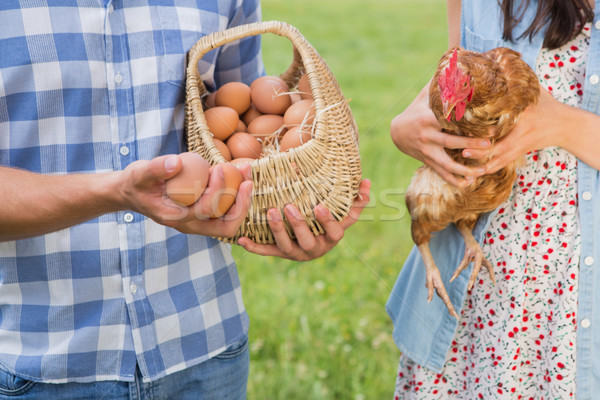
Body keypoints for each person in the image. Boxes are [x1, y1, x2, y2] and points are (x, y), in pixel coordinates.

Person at [0, 1, 370, 399]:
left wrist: (289, 216)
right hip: (38, 365)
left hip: (207, 349)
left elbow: (246, 120)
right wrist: (114, 192)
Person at [387, 0, 600, 398]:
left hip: (577, 300)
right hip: (482, 293)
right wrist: (403, 129)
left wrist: (564, 125)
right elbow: (445, 83)